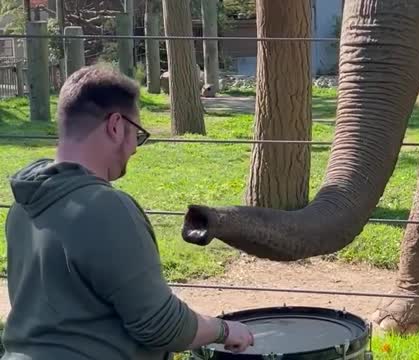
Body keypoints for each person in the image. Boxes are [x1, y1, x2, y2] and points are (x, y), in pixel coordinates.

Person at [1, 64, 254, 360]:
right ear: (116, 126)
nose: (135, 148)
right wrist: (223, 330)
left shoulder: (23, 206)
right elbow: (161, 326)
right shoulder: (104, 206)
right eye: (138, 134)